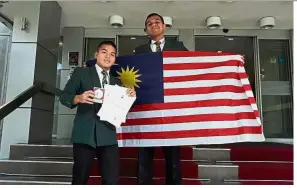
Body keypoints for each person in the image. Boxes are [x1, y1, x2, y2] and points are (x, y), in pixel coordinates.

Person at [60, 41, 136, 185]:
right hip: (85, 134)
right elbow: (64, 97)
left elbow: (122, 111)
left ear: (114, 59)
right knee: (80, 178)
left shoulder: (117, 83)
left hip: (108, 135)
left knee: (111, 179)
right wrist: (78, 98)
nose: (108, 56)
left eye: (112, 54)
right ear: (96, 54)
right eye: (104, 52)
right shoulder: (81, 73)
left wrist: (129, 98)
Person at [134, 13, 188, 185]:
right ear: (146, 30)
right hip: (147, 112)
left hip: (170, 112)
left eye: (157, 22)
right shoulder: (139, 51)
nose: (154, 24)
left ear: (164, 26)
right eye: (149, 23)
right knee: (144, 158)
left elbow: (193, 64)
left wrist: (229, 60)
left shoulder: (178, 46)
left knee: (173, 158)